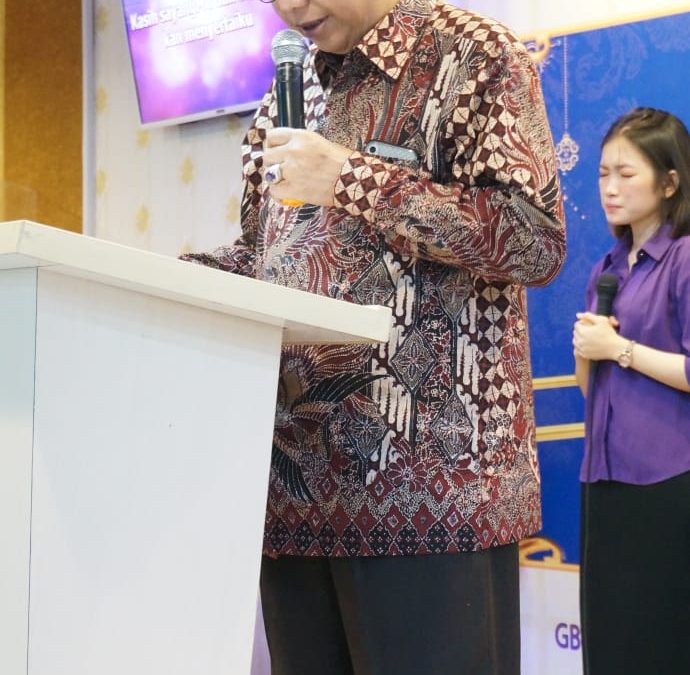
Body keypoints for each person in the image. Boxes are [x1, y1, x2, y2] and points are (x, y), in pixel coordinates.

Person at [183, 1, 565, 672]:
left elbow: (534, 242)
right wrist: (176, 278)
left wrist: (353, 179)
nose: (294, 7)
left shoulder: (474, 55)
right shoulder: (285, 93)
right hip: (295, 498)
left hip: (433, 495)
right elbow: (265, 257)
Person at [572, 107, 690, 675]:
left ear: (669, 183)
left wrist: (619, 349)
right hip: (604, 476)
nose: (610, 189)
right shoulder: (608, 266)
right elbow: (589, 387)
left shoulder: (684, 258)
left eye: (626, 174)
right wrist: (587, 349)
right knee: (611, 642)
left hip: (668, 479)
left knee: (661, 641)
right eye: (602, 174)